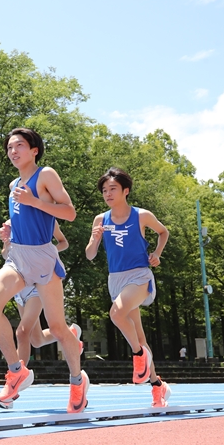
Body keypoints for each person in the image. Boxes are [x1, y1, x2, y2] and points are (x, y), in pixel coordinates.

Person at [0, 128, 87, 413]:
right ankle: (17, 371)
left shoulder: (46, 175)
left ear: (34, 150)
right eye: (9, 147)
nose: (13, 151)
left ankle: (77, 382)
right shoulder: (13, 183)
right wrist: (10, 227)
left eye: (19, 146)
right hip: (17, 257)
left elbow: (70, 212)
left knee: (56, 328)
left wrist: (34, 201)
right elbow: (24, 216)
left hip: (42, 258)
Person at [84, 166, 171, 407]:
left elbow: (163, 232)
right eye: (104, 190)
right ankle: (157, 386)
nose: (108, 194)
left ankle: (138, 355)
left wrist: (157, 253)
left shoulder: (141, 215)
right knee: (140, 336)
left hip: (140, 276)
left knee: (116, 313)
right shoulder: (100, 219)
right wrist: (95, 238)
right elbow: (90, 255)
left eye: (113, 189)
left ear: (126, 191)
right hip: (116, 279)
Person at [0, 220, 83, 365]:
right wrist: (6, 246)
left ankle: (18, 376)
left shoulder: (47, 219)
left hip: (37, 284)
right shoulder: (13, 221)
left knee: (22, 332)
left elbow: (64, 242)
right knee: (37, 340)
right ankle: (70, 334)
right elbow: (5, 255)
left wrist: (45, 254)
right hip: (19, 287)